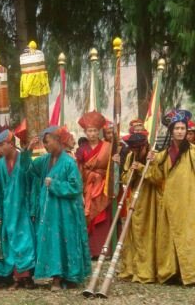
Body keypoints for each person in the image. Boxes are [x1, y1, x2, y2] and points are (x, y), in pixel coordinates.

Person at [23, 127, 91, 291]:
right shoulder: (45, 160)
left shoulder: (69, 162)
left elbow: (76, 187)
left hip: (65, 213)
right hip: (49, 213)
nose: (45, 145)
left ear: (57, 140)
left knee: (65, 241)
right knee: (53, 242)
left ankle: (66, 277)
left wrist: (54, 184)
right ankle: (56, 277)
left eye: (47, 142)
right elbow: (28, 169)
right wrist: (28, 151)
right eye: (44, 143)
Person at [147, 109, 195, 285]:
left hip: (188, 201)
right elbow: (156, 178)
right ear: (171, 131)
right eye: (177, 128)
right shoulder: (164, 154)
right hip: (169, 202)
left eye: (183, 128)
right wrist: (151, 162)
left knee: (188, 236)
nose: (180, 131)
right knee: (170, 236)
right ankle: (171, 272)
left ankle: (189, 274)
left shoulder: (192, 152)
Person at [0, 129, 35, 289]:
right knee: (9, 243)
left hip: (22, 209)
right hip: (6, 211)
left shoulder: (22, 160)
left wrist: (32, 210)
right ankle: (15, 278)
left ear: (11, 144)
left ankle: (27, 277)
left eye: (1, 145)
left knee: (25, 242)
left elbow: (28, 175)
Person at [118, 132, 158, 283]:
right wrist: (132, 172)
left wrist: (142, 168)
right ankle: (131, 268)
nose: (134, 152)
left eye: (137, 149)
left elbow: (158, 177)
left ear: (144, 146)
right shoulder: (129, 156)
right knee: (132, 232)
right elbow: (124, 178)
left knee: (147, 233)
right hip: (134, 199)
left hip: (150, 200)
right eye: (132, 149)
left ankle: (146, 270)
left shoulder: (153, 156)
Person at [75, 111, 112, 258]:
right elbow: (78, 168)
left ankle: (103, 250)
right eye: (89, 131)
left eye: (95, 131)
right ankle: (90, 251)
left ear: (99, 131)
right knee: (88, 217)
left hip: (103, 186)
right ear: (85, 132)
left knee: (102, 217)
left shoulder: (107, 146)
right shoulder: (81, 149)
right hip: (87, 186)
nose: (92, 134)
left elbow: (111, 167)